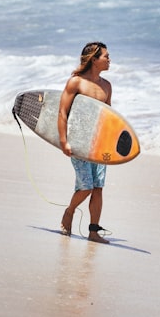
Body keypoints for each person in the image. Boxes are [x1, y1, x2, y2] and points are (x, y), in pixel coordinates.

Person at [58, 41, 112, 244]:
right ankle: (69, 212)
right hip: (79, 141)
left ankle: (93, 231)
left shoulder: (107, 86)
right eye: (106, 56)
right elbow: (63, 112)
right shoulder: (76, 82)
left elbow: (109, 118)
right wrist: (64, 141)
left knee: (98, 187)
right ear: (93, 59)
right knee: (86, 187)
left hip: (99, 144)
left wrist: (110, 145)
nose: (109, 60)